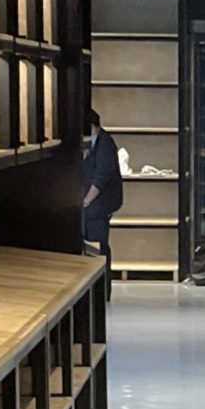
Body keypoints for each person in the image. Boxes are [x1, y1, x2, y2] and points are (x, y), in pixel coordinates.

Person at [83, 109, 123, 295]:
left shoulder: (104, 143)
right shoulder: (91, 143)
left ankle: (102, 291)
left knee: (99, 244)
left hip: (100, 204)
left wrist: (85, 201)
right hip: (92, 203)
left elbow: (102, 177)